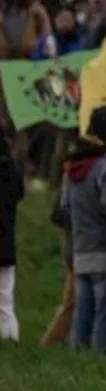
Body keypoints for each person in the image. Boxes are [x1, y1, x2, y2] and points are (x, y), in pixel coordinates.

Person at [61, 105, 106, 352]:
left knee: (83, 312)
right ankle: (101, 361)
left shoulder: (72, 164)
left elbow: (64, 206)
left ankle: (77, 357)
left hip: (81, 249)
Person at [0, 130, 23, 341]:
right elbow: (20, 193)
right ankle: (9, 338)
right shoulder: (11, 170)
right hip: (5, 243)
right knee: (5, 300)